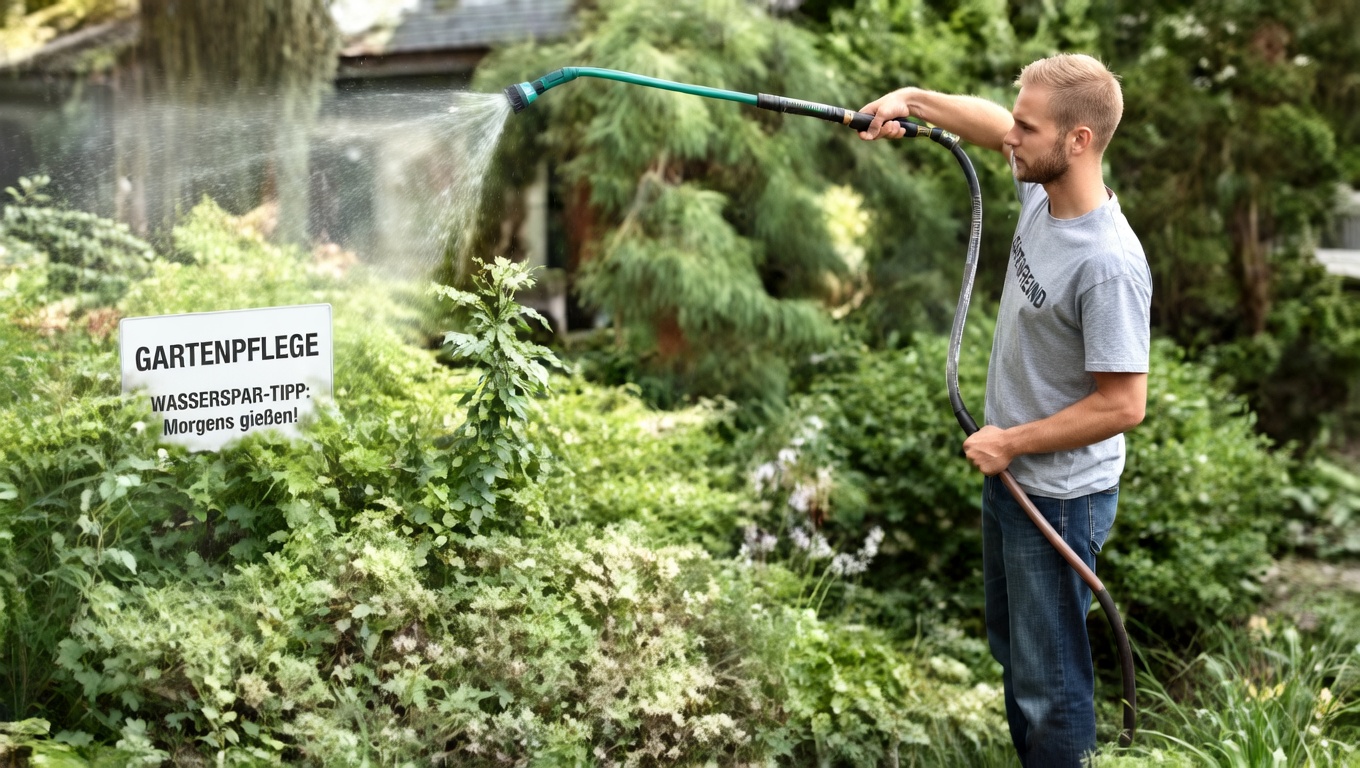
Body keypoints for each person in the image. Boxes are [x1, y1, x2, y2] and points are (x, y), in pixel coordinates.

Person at [857, 54, 1152, 767]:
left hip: (1058, 494)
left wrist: (1012, 443)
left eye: (1028, 125)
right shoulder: (1043, 192)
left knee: (1050, 687)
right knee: (1018, 658)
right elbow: (992, 126)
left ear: (1077, 140)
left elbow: (1123, 404)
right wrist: (913, 98)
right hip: (1013, 476)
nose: (1009, 136)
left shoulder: (1107, 263)